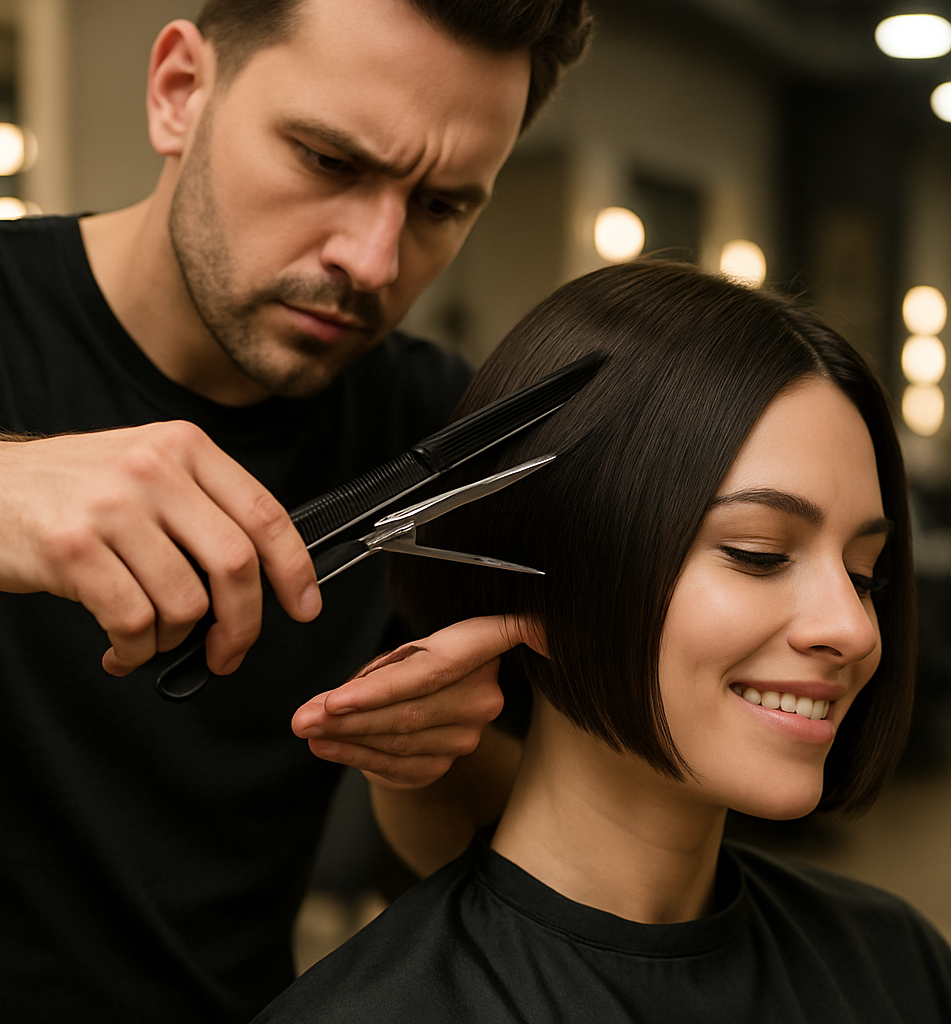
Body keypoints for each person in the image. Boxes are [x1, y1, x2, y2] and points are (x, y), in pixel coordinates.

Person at [0, 1, 592, 1020]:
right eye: (329, 161)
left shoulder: (447, 430)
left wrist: (421, 766)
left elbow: (504, 866)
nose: (371, 262)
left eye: (441, 207)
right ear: (179, 92)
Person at [255, 258, 951, 1022]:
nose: (852, 629)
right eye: (759, 554)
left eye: (866, 575)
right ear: (559, 570)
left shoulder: (898, 965)